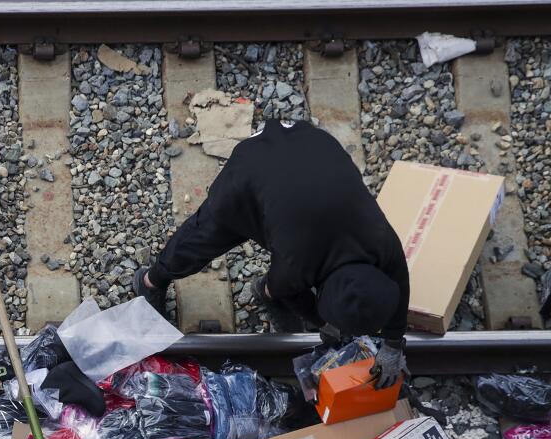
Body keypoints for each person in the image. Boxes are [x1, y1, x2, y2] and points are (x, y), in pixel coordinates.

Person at [134, 119, 409, 388]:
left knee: (284, 272)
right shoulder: (297, 264)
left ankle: (267, 292)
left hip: (312, 143)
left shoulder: (382, 241)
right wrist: (323, 322)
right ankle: (150, 280)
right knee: (200, 241)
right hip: (253, 170)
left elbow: (399, 278)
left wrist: (394, 343)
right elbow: (283, 287)